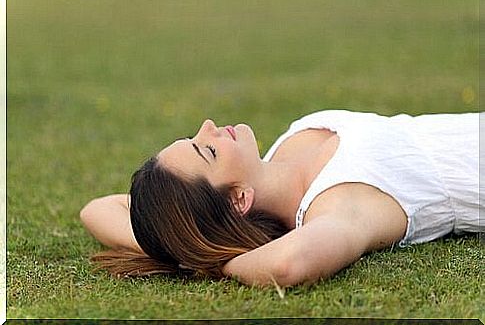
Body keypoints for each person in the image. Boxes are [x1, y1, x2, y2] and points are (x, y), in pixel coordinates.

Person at [80, 110, 484, 287]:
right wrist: (218, 262)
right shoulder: (339, 204)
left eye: (193, 138)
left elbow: (97, 208)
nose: (207, 127)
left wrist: (190, 250)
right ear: (239, 200)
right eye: (209, 151)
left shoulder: (280, 157)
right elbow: (291, 264)